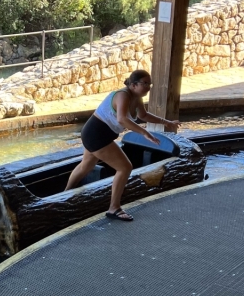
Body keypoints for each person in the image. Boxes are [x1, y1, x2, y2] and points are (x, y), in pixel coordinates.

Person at [65, 70, 179, 221]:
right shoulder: (122, 95)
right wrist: (144, 133)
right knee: (125, 167)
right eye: (145, 83)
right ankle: (114, 208)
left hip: (94, 133)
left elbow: (143, 115)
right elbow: (122, 119)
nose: (148, 87)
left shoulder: (136, 97)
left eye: (149, 84)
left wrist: (167, 122)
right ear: (133, 85)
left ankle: (65, 195)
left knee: (86, 165)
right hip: (97, 134)